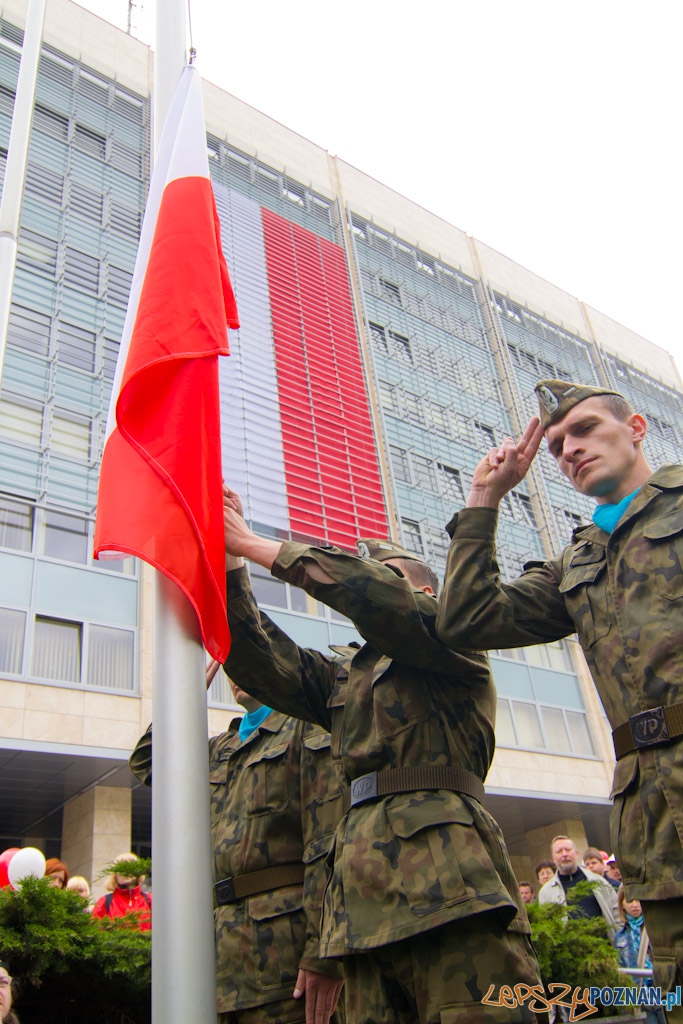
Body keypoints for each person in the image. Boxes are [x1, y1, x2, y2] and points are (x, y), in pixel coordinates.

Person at [222, 486, 541, 1024]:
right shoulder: (348, 676)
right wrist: (232, 564)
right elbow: (261, 662)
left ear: (423, 589)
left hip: (452, 891)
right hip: (360, 906)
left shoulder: (454, 635)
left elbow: (378, 599)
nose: (363, 587)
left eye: (385, 575)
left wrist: (258, 544)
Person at [436, 378, 683, 1010]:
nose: (568, 450)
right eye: (555, 446)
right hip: (655, 817)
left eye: (583, 431)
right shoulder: (578, 561)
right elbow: (467, 617)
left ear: (634, 430)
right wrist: (484, 499)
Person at [130, 663, 344, 1024]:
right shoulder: (220, 748)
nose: (233, 671)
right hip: (216, 965)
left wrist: (324, 953)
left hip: (284, 963)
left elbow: (328, 845)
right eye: (227, 663)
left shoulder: (307, 728)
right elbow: (148, 761)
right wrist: (186, 692)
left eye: (242, 657)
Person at [537, 836, 619, 939]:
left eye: (568, 850)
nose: (564, 854)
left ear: (576, 853)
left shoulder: (599, 882)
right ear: (553, 858)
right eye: (559, 851)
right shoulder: (546, 893)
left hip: (605, 950)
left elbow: (617, 916)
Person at [615, 888, 666, 1024]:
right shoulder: (620, 938)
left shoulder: (658, 929)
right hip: (640, 995)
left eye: (638, 900)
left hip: (662, 991)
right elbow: (621, 971)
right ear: (622, 905)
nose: (635, 905)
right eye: (630, 901)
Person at [91, 854, 151, 930]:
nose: (125, 873)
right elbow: (94, 933)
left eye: (130, 867)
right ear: (115, 875)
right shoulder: (104, 902)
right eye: (121, 869)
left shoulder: (150, 900)